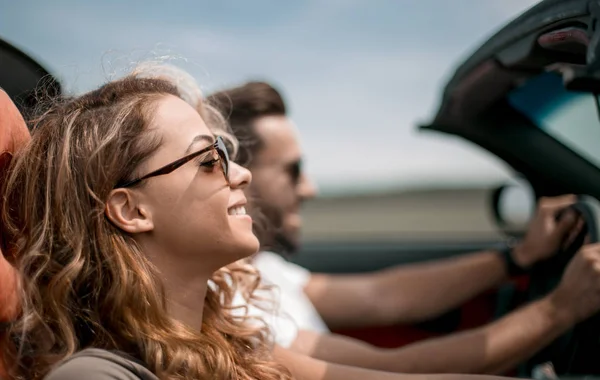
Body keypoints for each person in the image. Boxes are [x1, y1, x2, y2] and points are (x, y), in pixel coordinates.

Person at [0, 64, 526, 380]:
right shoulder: (98, 375)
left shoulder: (231, 346)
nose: (242, 174)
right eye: (210, 160)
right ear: (131, 210)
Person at [207, 81, 600, 374]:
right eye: (293, 171)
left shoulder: (261, 271)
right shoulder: (225, 309)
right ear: (241, 174)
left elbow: (385, 294)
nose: (310, 188)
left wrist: (518, 257)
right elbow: (398, 370)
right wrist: (559, 310)